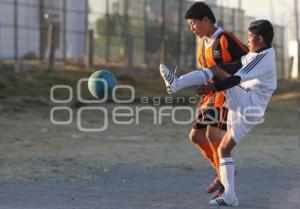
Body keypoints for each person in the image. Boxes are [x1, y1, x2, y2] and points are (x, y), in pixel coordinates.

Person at [160, 19, 277, 206]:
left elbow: (233, 79)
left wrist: (214, 87)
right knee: (224, 149)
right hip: (249, 108)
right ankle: (230, 196)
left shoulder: (264, 58)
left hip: (249, 104)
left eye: (249, 37)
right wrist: (216, 81)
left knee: (216, 70)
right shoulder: (257, 54)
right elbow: (234, 67)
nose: (247, 42)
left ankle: (177, 83)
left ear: (260, 39)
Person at [161, 1, 248, 198]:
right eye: (189, 25)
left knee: (212, 136)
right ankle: (222, 172)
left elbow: (248, 62)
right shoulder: (202, 45)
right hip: (209, 97)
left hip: (225, 95)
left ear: (206, 20)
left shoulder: (225, 39)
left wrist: (223, 79)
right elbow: (205, 73)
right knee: (196, 137)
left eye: (193, 23)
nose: (192, 28)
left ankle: (226, 182)